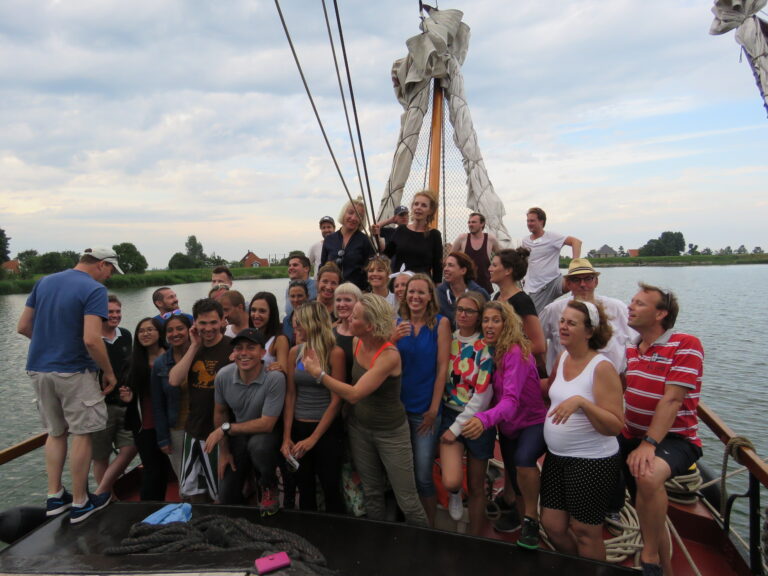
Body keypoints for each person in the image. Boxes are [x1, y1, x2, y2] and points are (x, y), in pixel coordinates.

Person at [17, 246, 123, 523]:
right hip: (74, 371)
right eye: (110, 270)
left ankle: (55, 496)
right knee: (82, 433)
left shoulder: (45, 282)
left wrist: (51, 346)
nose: (109, 277)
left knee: (55, 433)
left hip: (39, 370)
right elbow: (91, 339)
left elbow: (24, 326)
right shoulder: (93, 290)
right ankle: (80, 502)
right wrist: (109, 372)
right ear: (101, 264)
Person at [302, 294, 428, 526]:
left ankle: (424, 546)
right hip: (360, 428)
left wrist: (319, 374)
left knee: (407, 499)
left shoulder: (389, 357)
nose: (348, 317)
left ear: (369, 325)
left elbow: (354, 393)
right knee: (371, 492)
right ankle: (376, 541)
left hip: (390, 433)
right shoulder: (357, 342)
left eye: (355, 316)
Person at [620, 284, 704, 576]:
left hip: (675, 439)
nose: (630, 307)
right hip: (632, 435)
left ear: (661, 314)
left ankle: (651, 556)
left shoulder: (685, 345)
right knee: (649, 516)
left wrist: (649, 443)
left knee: (648, 474)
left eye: (640, 304)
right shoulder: (632, 345)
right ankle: (663, 567)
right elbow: (622, 386)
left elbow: (672, 399)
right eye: (632, 301)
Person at [540, 301, 624, 560]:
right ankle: (578, 567)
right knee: (552, 525)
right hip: (557, 457)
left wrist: (582, 403)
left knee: (585, 531)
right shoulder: (563, 356)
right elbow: (552, 392)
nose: (563, 327)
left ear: (589, 332)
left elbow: (614, 425)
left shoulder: (601, 368)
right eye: (562, 321)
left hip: (591, 461)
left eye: (571, 323)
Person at [462, 301, 547, 549]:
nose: (489, 325)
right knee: (516, 479)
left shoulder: (516, 353)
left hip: (532, 423)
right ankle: (526, 528)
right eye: (486, 320)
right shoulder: (491, 351)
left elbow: (510, 400)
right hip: (508, 428)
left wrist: (483, 419)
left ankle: (532, 520)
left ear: (507, 324)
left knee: (523, 460)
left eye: (495, 320)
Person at [204, 328, 286, 512]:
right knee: (225, 496)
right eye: (239, 348)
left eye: (251, 348)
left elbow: (267, 424)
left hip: (266, 435)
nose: (244, 353)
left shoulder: (274, 378)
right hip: (238, 434)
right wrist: (224, 451)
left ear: (263, 352)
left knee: (258, 446)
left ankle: (268, 484)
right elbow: (220, 412)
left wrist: (226, 429)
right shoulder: (223, 376)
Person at [395, 273, 451, 526]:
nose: (415, 296)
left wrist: (433, 409)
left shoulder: (440, 324)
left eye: (421, 292)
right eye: (411, 292)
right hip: (397, 410)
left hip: (425, 411)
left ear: (430, 297)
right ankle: (408, 518)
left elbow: (442, 369)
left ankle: (428, 525)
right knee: (401, 472)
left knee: (423, 473)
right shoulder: (396, 323)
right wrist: (391, 339)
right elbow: (384, 361)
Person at [281, 302, 345, 513]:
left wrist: (313, 439)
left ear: (314, 323)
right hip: (299, 426)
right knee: (305, 487)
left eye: (301, 322)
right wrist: (287, 436)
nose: (296, 326)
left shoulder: (334, 353)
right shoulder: (295, 352)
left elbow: (336, 400)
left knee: (330, 486)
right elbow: (291, 395)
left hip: (325, 429)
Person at [439, 291, 494, 534]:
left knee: (476, 484)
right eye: (459, 309)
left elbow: (483, 395)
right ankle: (454, 495)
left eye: (469, 311)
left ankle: (476, 537)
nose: (462, 314)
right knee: (452, 481)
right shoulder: (448, 339)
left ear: (479, 315)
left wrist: (456, 428)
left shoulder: (486, 347)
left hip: (476, 419)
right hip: (450, 412)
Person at [169, 298, 233, 502]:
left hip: (220, 431)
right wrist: (194, 346)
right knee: (190, 492)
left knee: (219, 492)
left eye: (213, 322)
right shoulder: (191, 348)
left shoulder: (233, 347)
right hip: (193, 429)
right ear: (195, 323)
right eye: (202, 323)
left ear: (223, 320)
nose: (208, 328)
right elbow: (174, 380)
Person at [539, 258, 635, 374]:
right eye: (576, 280)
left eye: (588, 279)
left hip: (611, 381)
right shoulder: (553, 310)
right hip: (566, 381)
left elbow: (636, 342)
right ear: (568, 284)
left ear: (596, 282)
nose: (583, 284)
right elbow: (534, 341)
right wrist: (543, 369)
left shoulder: (618, 308)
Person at [92, 295, 136, 498]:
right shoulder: (91, 340)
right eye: (110, 312)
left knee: (131, 447)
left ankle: (102, 492)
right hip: (100, 406)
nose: (115, 315)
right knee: (101, 456)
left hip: (125, 403)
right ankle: (107, 498)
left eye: (118, 311)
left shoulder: (125, 335)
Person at [121, 317, 169, 501]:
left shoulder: (171, 357)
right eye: (141, 330)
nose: (146, 333)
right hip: (145, 424)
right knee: (152, 469)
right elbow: (125, 392)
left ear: (159, 332)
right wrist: (128, 399)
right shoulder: (133, 362)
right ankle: (149, 509)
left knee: (167, 468)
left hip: (169, 421)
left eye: (150, 329)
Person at [151, 313, 193, 481]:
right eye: (170, 330)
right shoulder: (161, 363)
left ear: (190, 330)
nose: (175, 333)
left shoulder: (201, 354)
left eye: (180, 328)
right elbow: (158, 404)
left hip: (204, 426)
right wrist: (163, 438)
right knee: (185, 480)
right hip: (177, 428)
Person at [522, 207, 582, 313]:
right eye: (528, 221)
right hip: (536, 288)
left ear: (541, 221)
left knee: (577, 279)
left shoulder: (552, 237)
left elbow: (576, 242)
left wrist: (575, 266)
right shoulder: (525, 241)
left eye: (532, 221)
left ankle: (580, 309)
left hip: (555, 281)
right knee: (536, 317)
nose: (529, 223)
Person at [381, 191, 443, 284]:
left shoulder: (434, 235)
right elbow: (386, 256)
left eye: (423, 205)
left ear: (430, 210)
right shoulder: (401, 230)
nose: (418, 207)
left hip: (421, 286)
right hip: (399, 284)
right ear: (412, 207)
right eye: (416, 204)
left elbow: (437, 268)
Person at [321, 197, 376, 291]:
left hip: (357, 294)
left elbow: (370, 270)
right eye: (350, 213)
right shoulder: (329, 239)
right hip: (331, 292)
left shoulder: (366, 241)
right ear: (343, 213)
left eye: (359, 215)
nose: (353, 218)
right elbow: (322, 267)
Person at [451, 212, 502, 293]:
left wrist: (495, 268)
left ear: (482, 224)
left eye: (474, 222)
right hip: (465, 286)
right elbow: (450, 258)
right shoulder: (462, 238)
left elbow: (503, 257)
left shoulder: (490, 239)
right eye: (469, 222)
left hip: (484, 286)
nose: (470, 224)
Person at [437, 251, 490, 328]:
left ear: (463, 270)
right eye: (445, 265)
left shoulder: (479, 293)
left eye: (450, 265)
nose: (445, 269)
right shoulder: (438, 293)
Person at [249, 292, 290, 374]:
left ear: (271, 313)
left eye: (262, 311)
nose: (256, 315)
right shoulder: (250, 336)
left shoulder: (279, 340)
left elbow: (284, 372)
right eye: (253, 310)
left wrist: (278, 368)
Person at [333, 282, 363, 384]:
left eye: (347, 300)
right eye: (338, 300)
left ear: (358, 303)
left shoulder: (365, 336)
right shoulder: (329, 333)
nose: (341, 304)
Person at [282, 280, 310, 346]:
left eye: (300, 296)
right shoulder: (286, 320)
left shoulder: (315, 318)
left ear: (307, 296)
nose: (296, 300)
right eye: (292, 296)